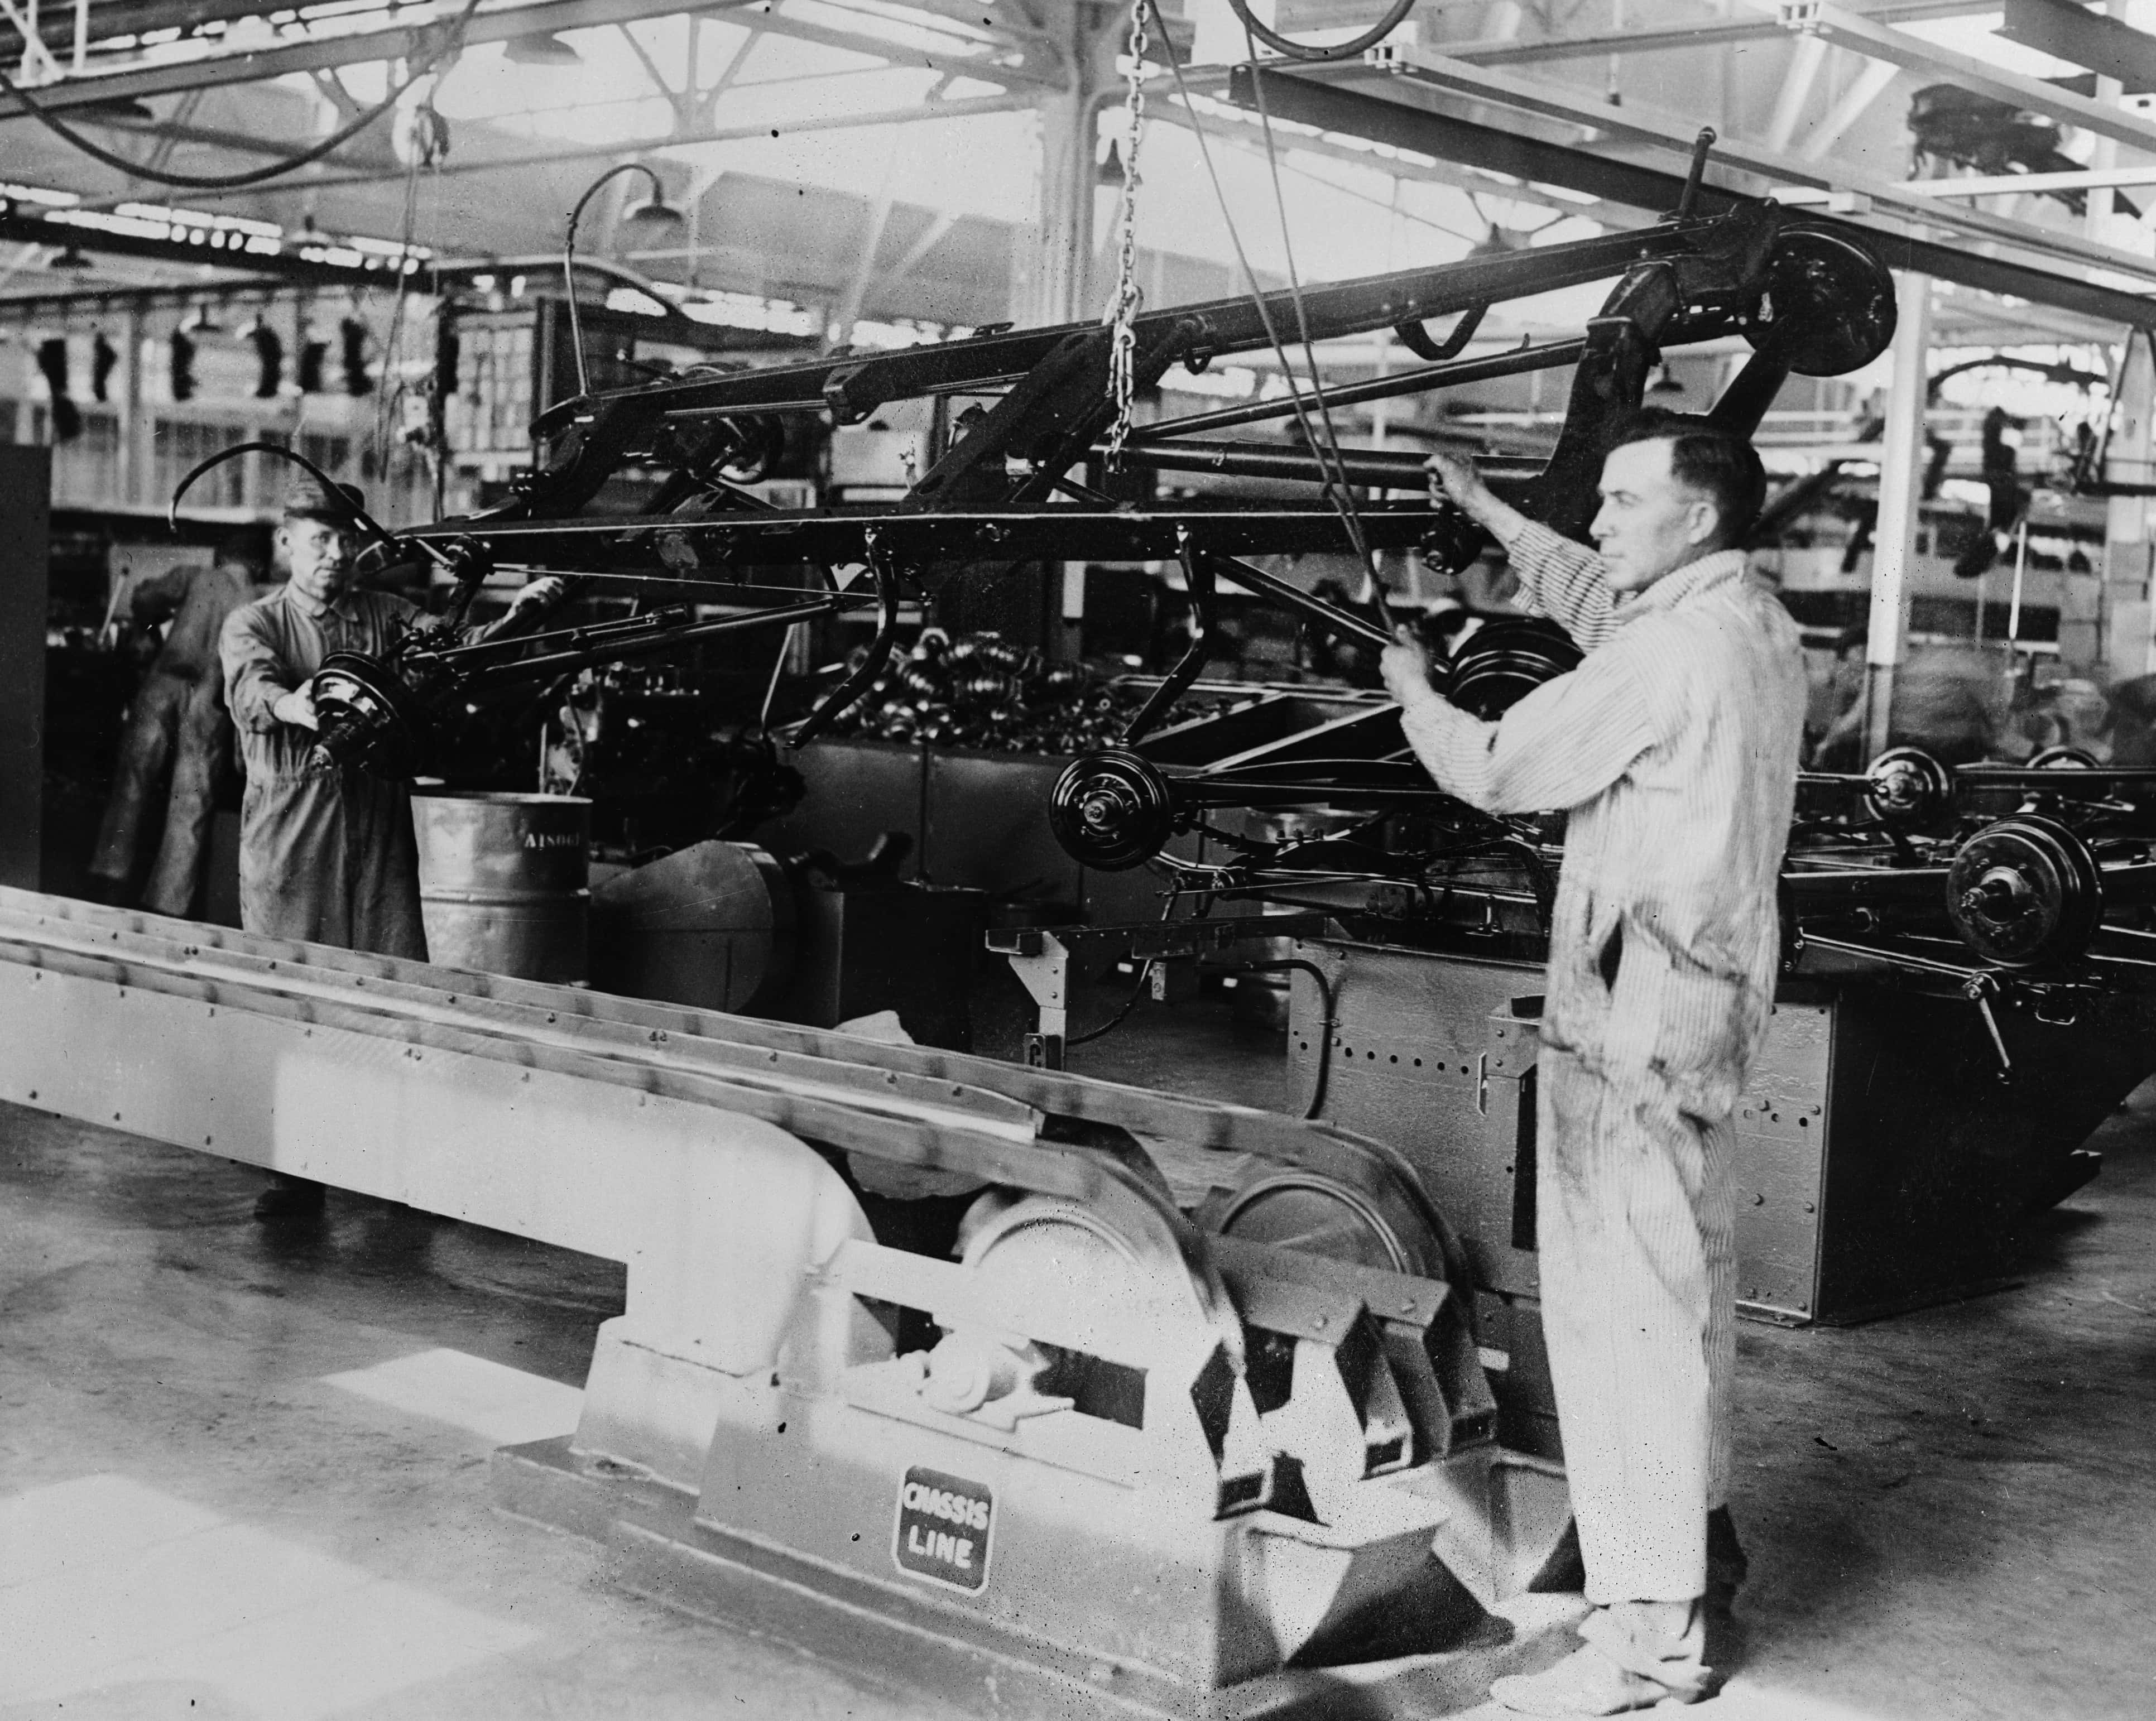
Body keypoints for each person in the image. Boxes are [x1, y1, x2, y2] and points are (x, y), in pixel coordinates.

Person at [1381, 410, 1805, 1715]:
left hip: (1628, 1030)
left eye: (1623, 501)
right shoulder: (1750, 622)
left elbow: (1504, 763)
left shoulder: (1667, 653)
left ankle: (1646, 1648)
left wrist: (1414, 697)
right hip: (1698, 1010)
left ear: (1695, 515)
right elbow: (1596, 598)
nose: (1603, 520)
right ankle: (1691, 1565)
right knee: (1678, 1312)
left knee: (1624, 1333)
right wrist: (1491, 514)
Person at [220, 472, 560, 1219]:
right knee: (293, 994)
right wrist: (295, 704)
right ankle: (295, 1173)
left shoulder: (383, 615)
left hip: (375, 826)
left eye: (344, 541)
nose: (333, 556)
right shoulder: (256, 622)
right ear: (286, 545)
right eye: (318, 542)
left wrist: (520, 617)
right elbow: (252, 692)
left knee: (390, 986)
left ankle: (388, 1160)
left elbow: (455, 651)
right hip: (291, 834)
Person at [88, 532, 268, 915]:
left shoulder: (197, 575)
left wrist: (149, 626)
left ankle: (109, 875)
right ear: (257, 565)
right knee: (191, 799)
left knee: (132, 782)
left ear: (220, 555)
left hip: (165, 680)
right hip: (211, 695)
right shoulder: (258, 602)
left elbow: (144, 598)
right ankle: (169, 902)